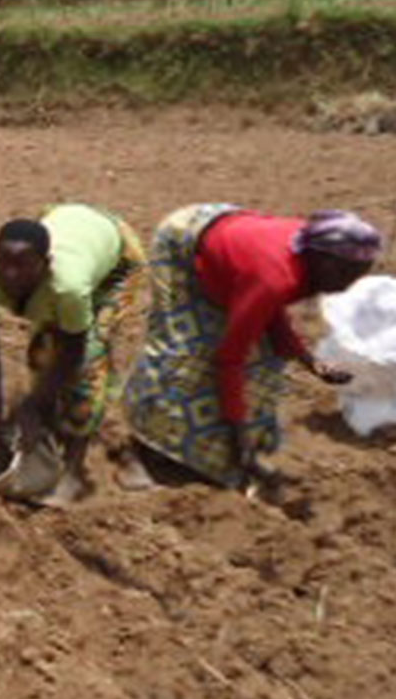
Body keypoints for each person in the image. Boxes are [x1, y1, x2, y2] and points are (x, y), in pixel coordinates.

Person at [123, 206, 382, 490]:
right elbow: (230, 357)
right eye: (348, 273)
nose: (349, 285)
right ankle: (141, 454)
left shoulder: (309, 254)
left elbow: (270, 311)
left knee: (267, 360)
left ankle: (220, 450)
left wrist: (309, 361)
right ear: (324, 261)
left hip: (232, 244)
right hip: (184, 242)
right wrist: (237, 432)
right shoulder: (276, 274)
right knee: (185, 355)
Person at [0, 204, 146, 497]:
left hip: (117, 261)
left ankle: (73, 465)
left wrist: (32, 404)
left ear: (45, 263)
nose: (10, 274)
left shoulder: (69, 287)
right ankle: (44, 436)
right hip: (70, 225)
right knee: (42, 356)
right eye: (4, 262)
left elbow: (74, 353)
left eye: (22, 265)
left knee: (89, 360)